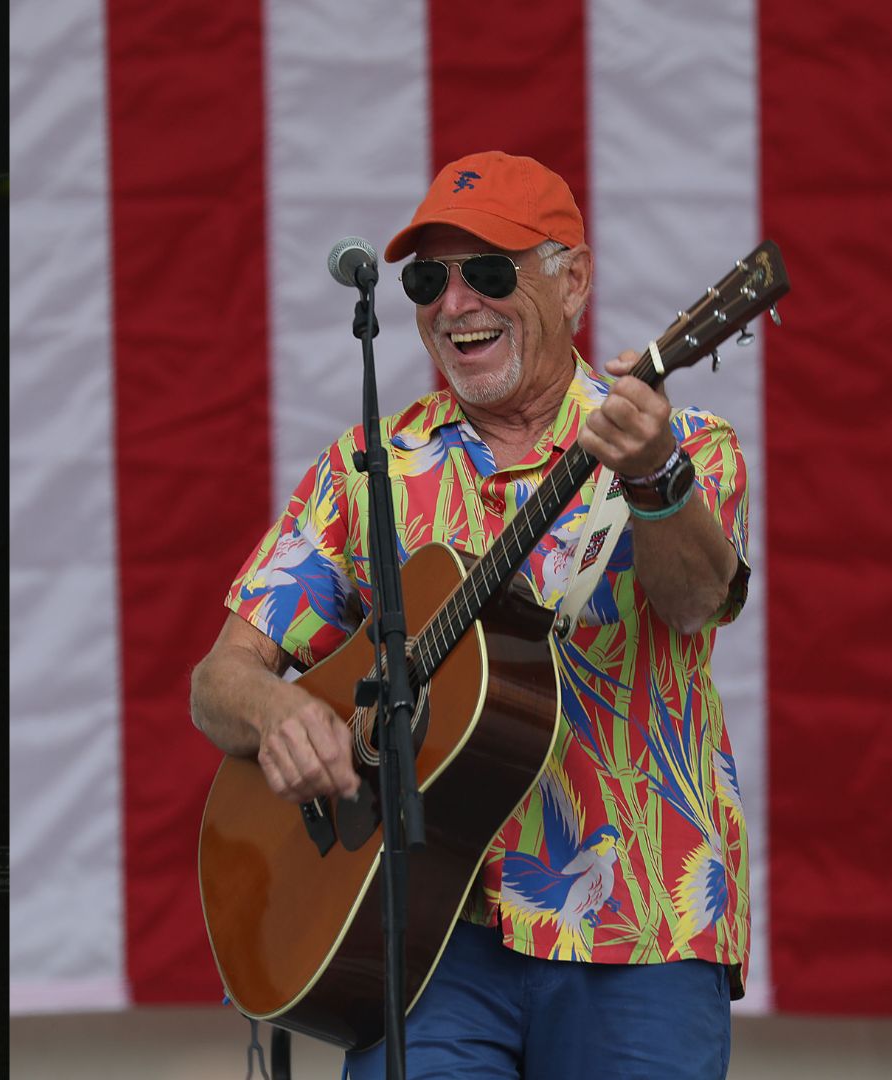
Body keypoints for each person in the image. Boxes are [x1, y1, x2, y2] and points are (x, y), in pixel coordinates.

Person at [190, 151, 750, 1079]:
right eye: (428, 280)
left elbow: (695, 604)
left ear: (573, 284)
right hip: (419, 940)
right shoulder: (369, 468)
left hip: (639, 922)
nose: (455, 305)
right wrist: (278, 712)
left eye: (490, 272)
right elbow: (220, 680)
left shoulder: (685, 447)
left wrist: (653, 479)